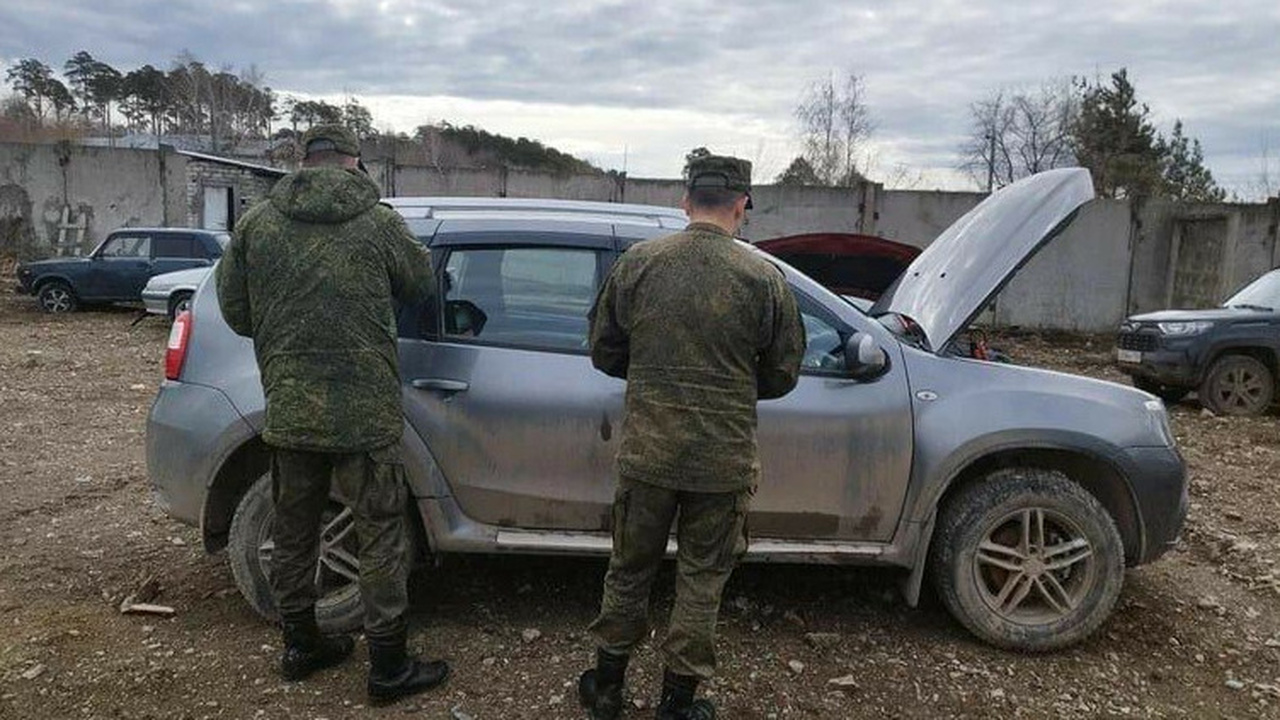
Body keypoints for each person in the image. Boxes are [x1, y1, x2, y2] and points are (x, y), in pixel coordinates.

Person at [216, 124, 449, 704]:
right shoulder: (379, 222)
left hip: (292, 408)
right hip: (364, 414)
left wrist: (283, 333)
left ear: (304, 161)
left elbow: (235, 310)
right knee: (381, 536)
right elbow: (420, 284)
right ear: (354, 162)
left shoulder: (258, 224)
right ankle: (388, 666)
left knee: (294, 533)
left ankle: (301, 644)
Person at [578, 154, 805, 720]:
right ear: (741, 206)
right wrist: (730, 385)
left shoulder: (638, 265)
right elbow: (783, 373)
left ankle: (606, 690)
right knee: (701, 582)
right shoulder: (763, 279)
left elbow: (605, 351)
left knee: (629, 570)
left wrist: (654, 375)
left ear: (685, 202)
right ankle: (676, 706)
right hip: (721, 463)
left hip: (648, 454)